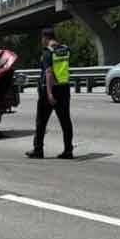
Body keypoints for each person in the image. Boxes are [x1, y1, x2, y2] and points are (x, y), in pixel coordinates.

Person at [26, 28, 74, 159]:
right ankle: (68, 150)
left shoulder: (47, 52)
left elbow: (48, 73)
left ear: (45, 38)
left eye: (42, 39)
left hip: (50, 90)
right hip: (64, 88)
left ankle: (38, 150)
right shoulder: (65, 49)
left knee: (41, 122)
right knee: (66, 122)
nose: (42, 41)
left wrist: (49, 94)